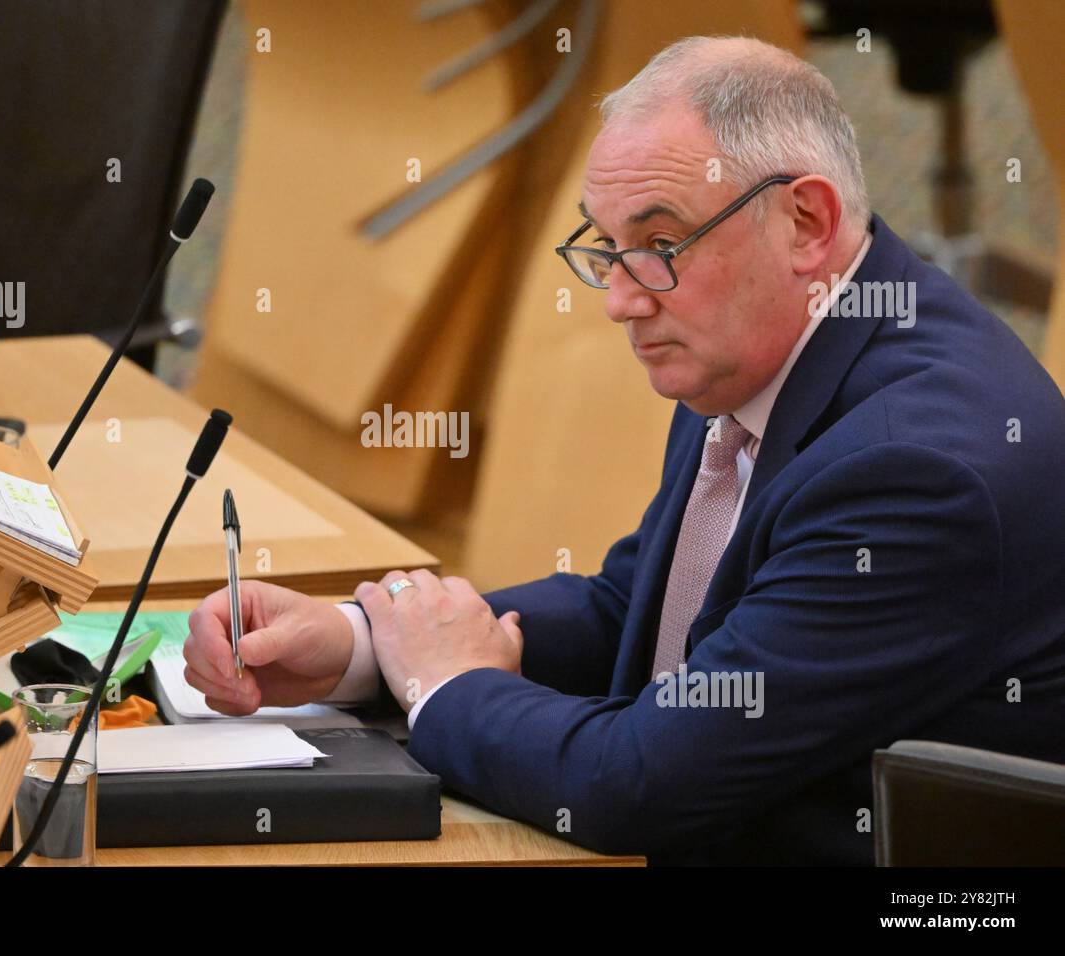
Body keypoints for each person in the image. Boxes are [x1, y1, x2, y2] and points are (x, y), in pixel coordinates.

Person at [183, 36, 1065, 864]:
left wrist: (445, 689)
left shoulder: (918, 473)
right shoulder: (763, 342)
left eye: (659, 243)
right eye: (607, 248)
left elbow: (638, 785)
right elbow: (645, 615)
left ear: (805, 222)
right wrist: (365, 643)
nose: (619, 301)